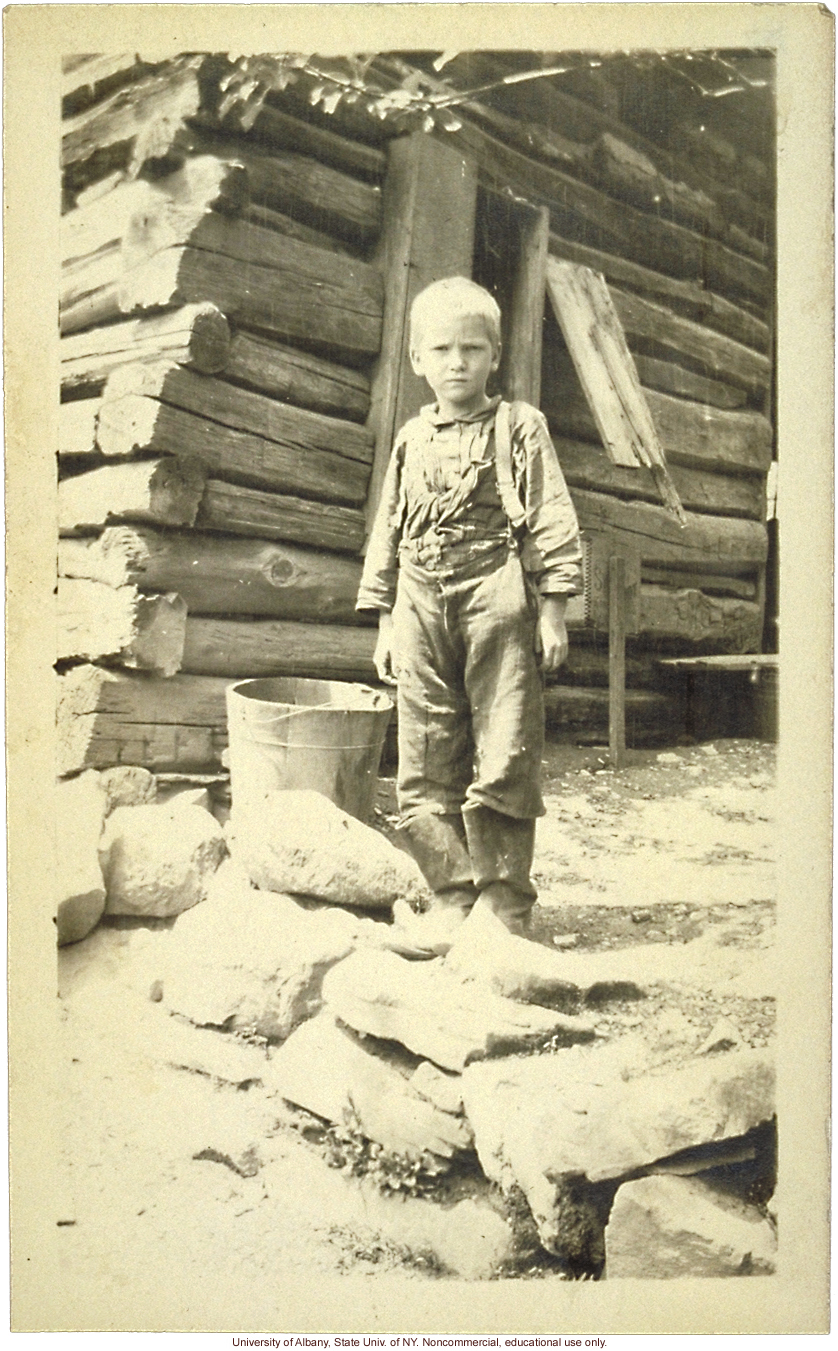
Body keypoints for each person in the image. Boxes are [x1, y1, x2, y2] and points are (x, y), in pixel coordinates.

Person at [357, 276, 582, 955]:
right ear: (418, 359)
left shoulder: (520, 426)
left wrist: (553, 610)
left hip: (497, 592)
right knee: (424, 754)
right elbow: (387, 529)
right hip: (420, 599)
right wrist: (385, 620)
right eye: (442, 349)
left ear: (495, 355)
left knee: (507, 743)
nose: (457, 362)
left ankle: (506, 904)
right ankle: (452, 895)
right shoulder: (408, 438)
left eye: (472, 349)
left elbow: (550, 518)